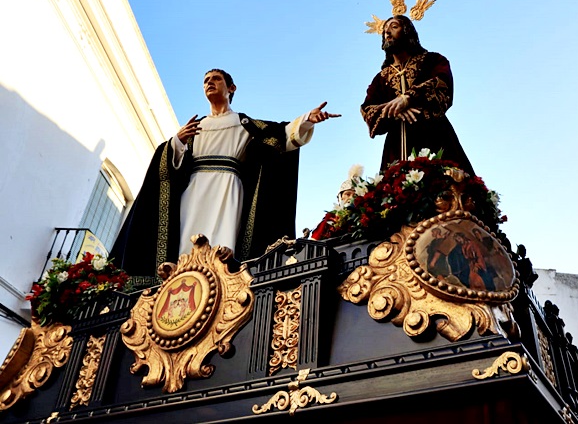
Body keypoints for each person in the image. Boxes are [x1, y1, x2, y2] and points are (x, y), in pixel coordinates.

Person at [111, 69, 339, 287]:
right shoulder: (194, 128)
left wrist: (308, 119)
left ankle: (223, 281)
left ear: (231, 88)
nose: (210, 82)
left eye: (216, 78)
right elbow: (171, 167)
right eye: (206, 80)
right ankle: (182, 281)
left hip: (228, 187)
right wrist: (176, 142)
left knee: (223, 239)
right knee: (188, 236)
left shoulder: (244, 123)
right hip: (195, 188)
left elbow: (281, 136)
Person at [360, 15, 475, 175]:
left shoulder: (432, 60)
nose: (387, 33)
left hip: (433, 134)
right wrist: (395, 110)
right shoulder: (381, 78)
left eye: (393, 27)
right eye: (384, 31)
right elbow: (367, 109)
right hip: (396, 145)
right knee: (397, 192)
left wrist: (408, 98)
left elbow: (442, 83)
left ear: (407, 31)